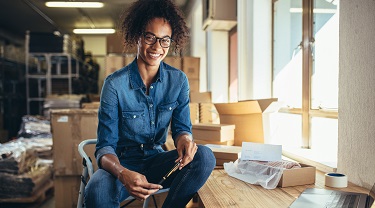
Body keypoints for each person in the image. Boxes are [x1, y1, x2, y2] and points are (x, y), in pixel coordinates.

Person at [84, 0, 216, 207]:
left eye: (165, 40)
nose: (157, 47)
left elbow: (182, 129)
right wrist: (122, 173)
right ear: (138, 35)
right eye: (150, 37)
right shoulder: (114, 85)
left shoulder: (178, 81)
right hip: (122, 164)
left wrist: (185, 142)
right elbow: (104, 147)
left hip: (157, 161)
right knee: (96, 190)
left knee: (205, 157)